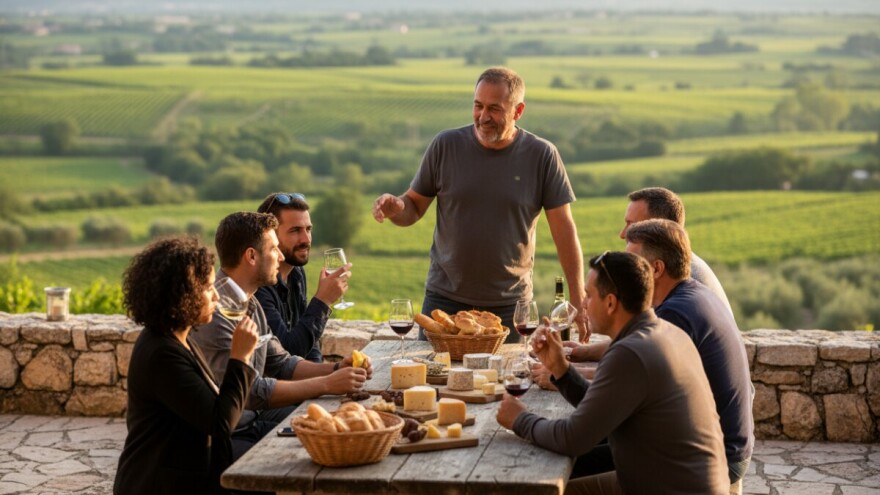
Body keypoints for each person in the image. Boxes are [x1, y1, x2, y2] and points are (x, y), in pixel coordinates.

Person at [372, 66, 586, 344]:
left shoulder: (542, 155)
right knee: (433, 384)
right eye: (478, 106)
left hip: (510, 307)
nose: (483, 117)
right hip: (444, 303)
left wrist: (578, 296)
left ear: (518, 111)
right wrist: (396, 208)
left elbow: (564, 230)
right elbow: (413, 207)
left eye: (494, 109)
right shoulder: (445, 145)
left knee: (505, 384)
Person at [497, 251, 727, 494]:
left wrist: (519, 419)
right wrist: (561, 371)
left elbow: (573, 438)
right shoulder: (665, 332)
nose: (582, 304)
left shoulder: (630, 353)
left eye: (588, 295)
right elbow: (601, 409)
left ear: (610, 303)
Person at [190, 212, 371, 460]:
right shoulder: (217, 311)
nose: (282, 256)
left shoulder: (249, 300)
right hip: (230, 434)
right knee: (310, 452)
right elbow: (251, 393)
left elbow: (281, 362)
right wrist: (327, 384)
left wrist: (337, 367)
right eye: (274, 249)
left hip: (251, 421)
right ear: (251, 256)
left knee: (337, 424)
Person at [114, 237, 258, 495]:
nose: (216, 295)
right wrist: (240, 358)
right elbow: (220, 422)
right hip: (156, 484)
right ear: (183, 294)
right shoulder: (161, 354)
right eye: (207, 287)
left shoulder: (179, 338)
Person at [625, 219, 754, 492]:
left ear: (657, 269)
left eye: (632, 265)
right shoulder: (693, 294)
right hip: (729, 448)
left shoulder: (676, 314)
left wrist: (563, 377)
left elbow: (632, 389)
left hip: (715, 459)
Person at [254, 192, 350, 362]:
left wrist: (323, 376)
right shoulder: (259, 285)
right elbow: (288, 351)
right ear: (270, 235)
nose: (306, 239)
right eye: (295, 230)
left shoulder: (296, 273)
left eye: (308, 229)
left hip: (302, 382)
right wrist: (323, 301)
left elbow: (309, 342)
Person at [620, 187, 732, 314]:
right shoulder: (683, 265)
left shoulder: (683, 278)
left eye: (633, 226)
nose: (623, 234)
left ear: (659, 226)